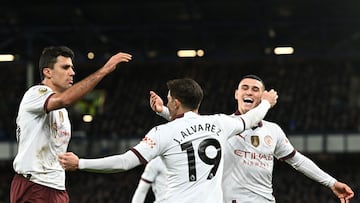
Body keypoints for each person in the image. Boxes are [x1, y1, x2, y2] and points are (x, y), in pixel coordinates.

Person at [58, 78, 278, 203]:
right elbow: (251, 118)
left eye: (169, 98)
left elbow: (125, 162)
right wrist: (266, 102)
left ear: (175, 102)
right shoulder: (219, 124)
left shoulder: (161, 132)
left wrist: (81, 163)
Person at [149, 75, 354, 203]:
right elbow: (193, 126)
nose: (249, 92)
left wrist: (331, 182)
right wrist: (165, 111)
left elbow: (298, 160)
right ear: (236, 94)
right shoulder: (222, 125)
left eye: (255, 89)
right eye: (244, 88)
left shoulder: (273, 131)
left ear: (262, 97)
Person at [10, 46, 132, 203]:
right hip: (34, 186)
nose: (72, 72)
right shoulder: (35, 94)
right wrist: (104, 71)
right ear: (48, 72)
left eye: (72, 68)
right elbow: (64, 99)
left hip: (58, 189)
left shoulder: (63, 112)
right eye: (65, 67)